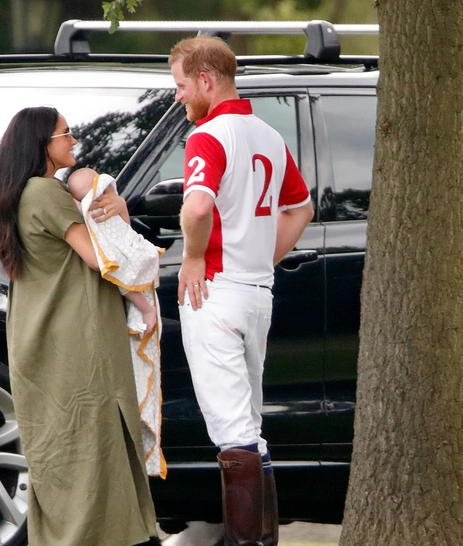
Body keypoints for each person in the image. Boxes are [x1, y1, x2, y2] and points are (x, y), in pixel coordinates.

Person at [0, 107, 160, 546]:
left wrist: (115, 207)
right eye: (65, 135)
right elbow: (103, 257)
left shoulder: (25, 195)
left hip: (43, 344)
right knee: (92, 451)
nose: (73, 142)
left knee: (66, 454)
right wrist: (143, 299)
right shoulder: (45, 192)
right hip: (76, 345)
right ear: (41, 145)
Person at [169, 36, 314, 546]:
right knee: (250, 427)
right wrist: (261, 254)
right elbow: (301, 208)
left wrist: (191, 257)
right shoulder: (269, 135)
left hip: (215, 292)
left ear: (207, 80)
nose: (181, 97)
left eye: (183, 86)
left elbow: (197, 207)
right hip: (257, 292)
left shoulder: (209, 136)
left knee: (233, 433)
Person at [67, 167, 166, 479]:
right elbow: (110, 260)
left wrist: (121, 210)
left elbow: (125, 245)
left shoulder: (106, 210)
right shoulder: (84, 217)